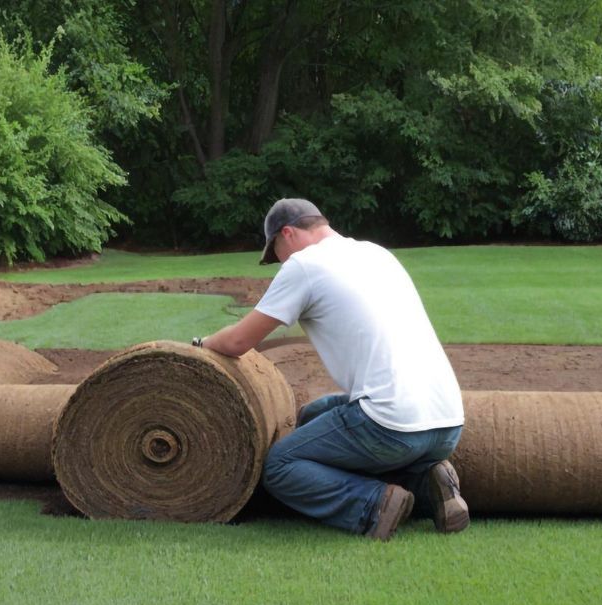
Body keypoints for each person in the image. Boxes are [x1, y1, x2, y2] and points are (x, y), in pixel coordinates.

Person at [194, 198, 467, 540]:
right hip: (448, 422)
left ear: (288, 233)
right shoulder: (377, 253)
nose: (279, 262)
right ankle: (430, 483)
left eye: (275, 251)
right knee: (313, 414)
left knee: (280, 466)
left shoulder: (304, 266)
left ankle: (373, 504)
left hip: (391, 425)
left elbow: (237, 343)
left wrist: (201, 344)